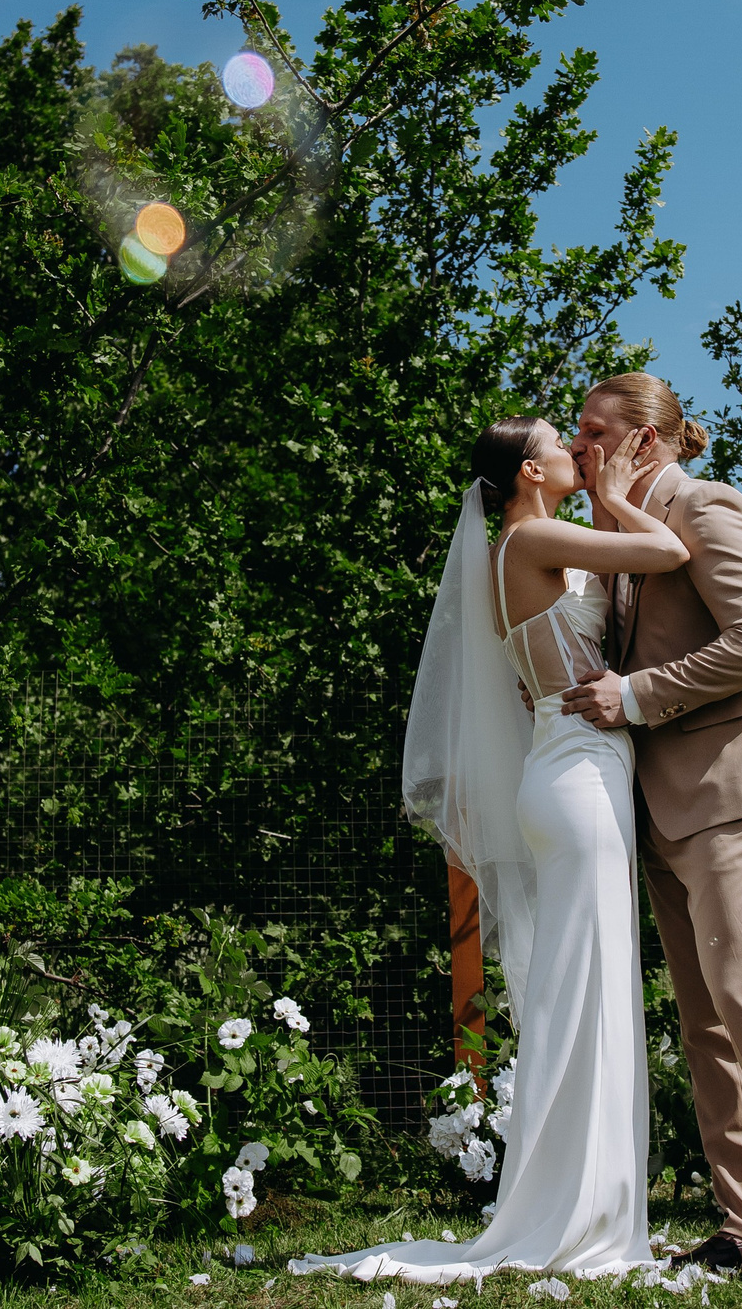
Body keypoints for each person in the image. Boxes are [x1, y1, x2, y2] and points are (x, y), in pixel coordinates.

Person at [293, 417, 687, 1283]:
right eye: (559, 444)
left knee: (584, 991)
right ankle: (572, 1214)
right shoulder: (535, 533)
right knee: (585, 993)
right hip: (579, 780)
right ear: (526, 471)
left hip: (569, 768)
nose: (572, 453)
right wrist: (619, 498)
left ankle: (585, 1203)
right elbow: (668, 554)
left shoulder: (527, 544)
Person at [557, 372, 742, 1281]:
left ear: (644, 442)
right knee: (707, 1024)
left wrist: (637, 695)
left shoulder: (708, 506)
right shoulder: (619, 533)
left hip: (741, 792)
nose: (578, 447)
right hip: (663, 807)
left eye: (593, 432)